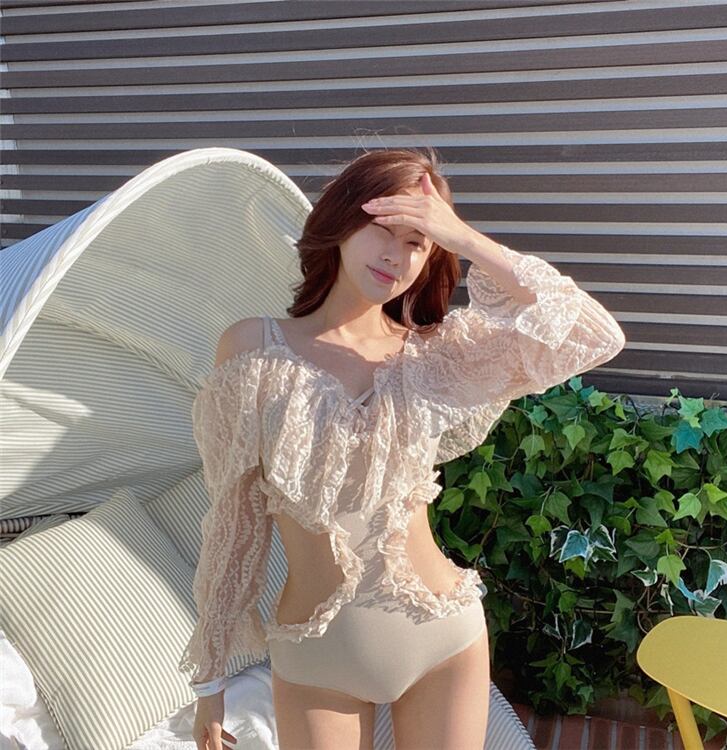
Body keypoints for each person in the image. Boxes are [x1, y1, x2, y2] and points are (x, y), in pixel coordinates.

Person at [180, 146, 626, 749]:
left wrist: (464, 237)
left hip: (440, 638)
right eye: (383, 228)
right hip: (316, 656)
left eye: (418, 241)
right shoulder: (251, 349)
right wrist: (210, 680)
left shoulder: (435, 356)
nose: (397, 254)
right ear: (342, 221)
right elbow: (236, 519)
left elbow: (594, 336)